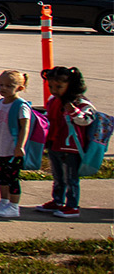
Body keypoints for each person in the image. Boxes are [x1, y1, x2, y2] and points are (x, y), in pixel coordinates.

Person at [35, 66, 93, 219]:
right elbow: (49, 116)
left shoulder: (80, 102)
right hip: (55, 143)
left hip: (71, 147)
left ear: (71, 85)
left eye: (59, 87)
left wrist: (73, 110)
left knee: (71, 178)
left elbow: (86, 120)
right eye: (51, 86)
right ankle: (58, 201)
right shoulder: (53, 100)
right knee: (58, 176)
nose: (54, 90)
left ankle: (72, 205)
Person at [0, 70, 31, 219]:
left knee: (12, 178)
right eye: (1, 85)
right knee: (2, 176)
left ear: (20, 88)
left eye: (9, 85)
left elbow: (25, 127)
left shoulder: (20, 105)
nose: (3, 88)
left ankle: (14, 206)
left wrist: (20, 146)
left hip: (12, 149)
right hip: (0, 146)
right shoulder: (0, 103)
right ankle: (3, 201)